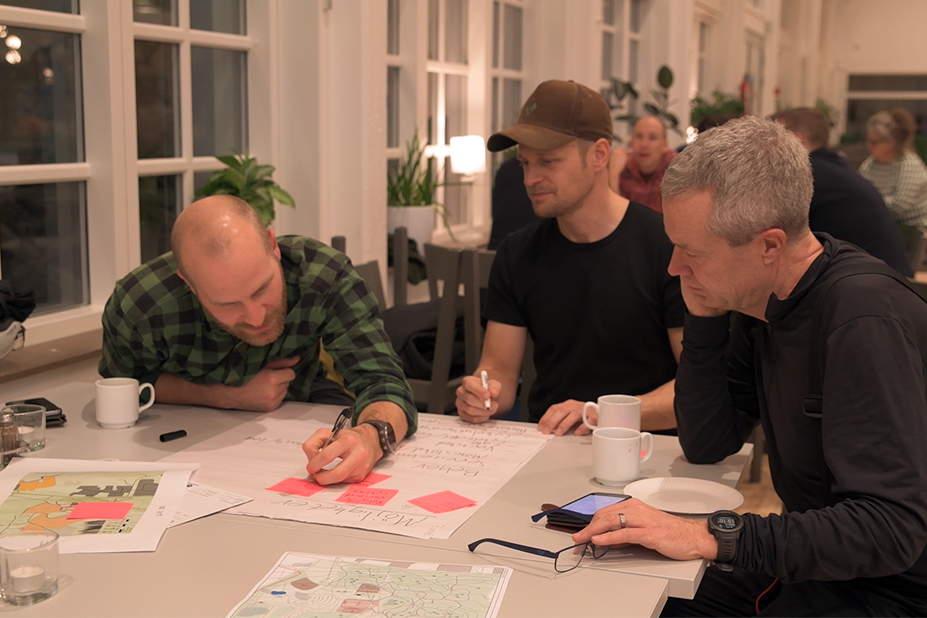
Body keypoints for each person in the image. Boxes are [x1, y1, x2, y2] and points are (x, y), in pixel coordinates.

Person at [573, 116, 927, 617]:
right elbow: (708, 442)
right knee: (620, 593)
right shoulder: (760, 301)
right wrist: (703, 320)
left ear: (769, 245)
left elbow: (889, 529)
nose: (675, 267)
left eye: (692, 251)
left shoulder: (861, 317)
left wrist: (707, 534)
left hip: (888, 590)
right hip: (814, 567)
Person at [99, 195, 417, 485]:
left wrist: (372, 436)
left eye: (262, 289)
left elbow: (384, 384)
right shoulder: (140, 305)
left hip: (297, 414)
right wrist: (223, 396)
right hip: (175, 452)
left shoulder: (322, 276)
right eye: (227, 305)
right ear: (189, 284)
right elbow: (122, 388)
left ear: (272, 245)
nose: (255, 317)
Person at [455, 79, 684, 435]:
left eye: (548, 161)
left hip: (649, 450)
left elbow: (698, 384)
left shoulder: (666, 247)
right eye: (525, 163)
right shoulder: (518, 253)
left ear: (598, 155)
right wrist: (482, 396)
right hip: (549, 442)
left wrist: (599, 414)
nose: (531, 179)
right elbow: (498, 370)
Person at [773, 107, 912, 276]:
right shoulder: (834, 168)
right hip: (890, 280)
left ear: (797, 140)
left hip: (875, 287)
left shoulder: (807, 175)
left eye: (773, 141)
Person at [858, 108, 927, 227]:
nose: (868, 146)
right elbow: (857, 192)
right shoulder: (870, 164)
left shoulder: (909, 165)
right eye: (867, 141)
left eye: (874, 142)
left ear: (891, 141)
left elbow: (897, 207)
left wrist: (867, 202)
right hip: (883, 225)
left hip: (912, 231)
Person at [609, 116, 677, 213]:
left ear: (665, 145)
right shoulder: (620, 166)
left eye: (652, 138)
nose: (644, 144)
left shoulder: (677, 167)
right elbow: (612, 216)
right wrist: (613, 176)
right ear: (631, 142)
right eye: (639, 137)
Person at [487, 156, 541, 251]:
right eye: (524, 163)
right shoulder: (510, 172)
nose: (528, 181)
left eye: (548, 161)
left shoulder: (509, 169)